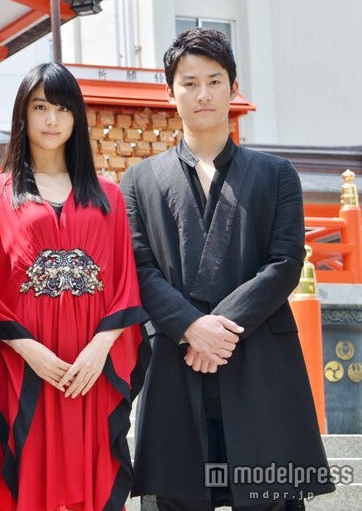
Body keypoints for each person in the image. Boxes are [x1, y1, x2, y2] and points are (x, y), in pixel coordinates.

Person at [120, 27, 335, 510]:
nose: (203, 94)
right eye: (189, 82)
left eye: (214, 81)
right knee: (179, 495)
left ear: (233, 88)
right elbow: (139, 267)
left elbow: (285, 262)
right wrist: (190, 328)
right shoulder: (139, 180)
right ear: (170, 92)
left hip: (258, 356)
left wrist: (217, 330)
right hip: (177, 357)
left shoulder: (276, 174)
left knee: (267, 495)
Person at [0, 62, 150, 511]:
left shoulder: (108, 196)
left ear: (76, 117)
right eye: (40, 107)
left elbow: (125, 283)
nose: (52, 119)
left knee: (92, 473)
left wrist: (99, 351)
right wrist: (32, 353)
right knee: (28, 476)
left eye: (62, 108)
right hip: (27, 368)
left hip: (92, 370)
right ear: (23, 114)